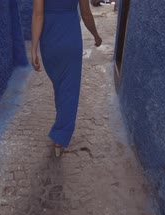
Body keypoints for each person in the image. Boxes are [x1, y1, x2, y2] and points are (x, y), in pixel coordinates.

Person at [31, 0, 102, 157]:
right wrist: (96, 35)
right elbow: (86, 14)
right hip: (71, 38)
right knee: (69, 88)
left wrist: (34, 48)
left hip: (49, 41)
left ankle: (60, 128)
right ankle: (60, 136)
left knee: (60, 85)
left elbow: (38, 15)